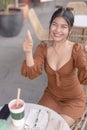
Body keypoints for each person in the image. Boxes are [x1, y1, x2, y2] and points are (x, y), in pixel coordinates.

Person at [21, 7, 87, 127]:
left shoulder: (76, 49)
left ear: (70, 30)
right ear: (50, 26)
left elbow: (84, 74)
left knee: (56, 127)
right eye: (54, 24)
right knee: (35, 125)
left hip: (73, 100)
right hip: (51, 96)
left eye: (63, 27)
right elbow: (32, 73)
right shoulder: (44, 48)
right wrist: (28, 51)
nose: (57, 30)